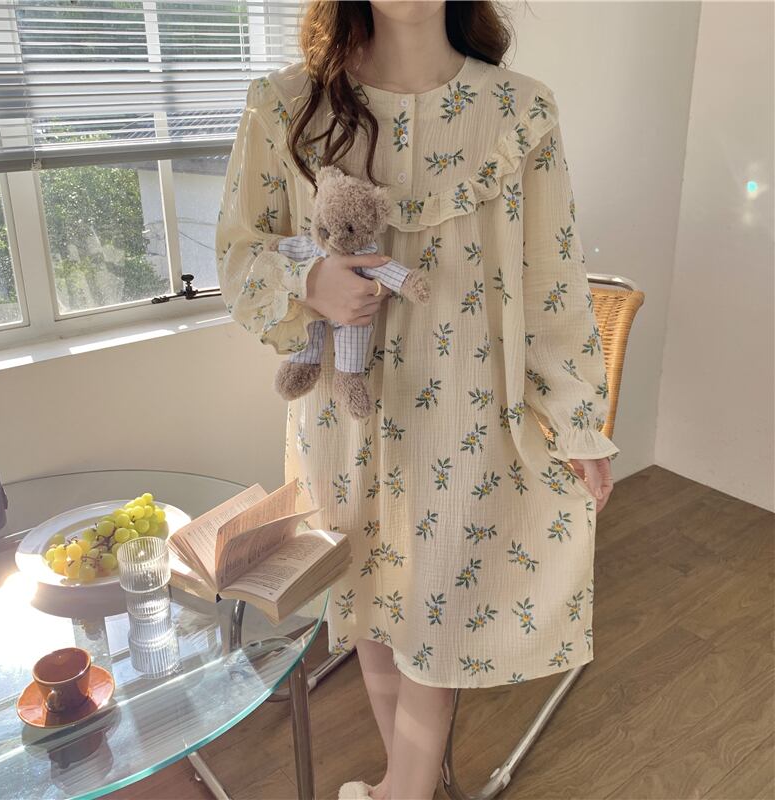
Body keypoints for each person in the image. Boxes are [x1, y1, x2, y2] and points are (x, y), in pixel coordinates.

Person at [215, 2, 620, 798]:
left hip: (469, 419)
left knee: (437, 617)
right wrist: (308, 280)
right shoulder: (286, 105)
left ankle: (403, 791)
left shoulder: (519, 111)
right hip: (342, 418)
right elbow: (237, 254)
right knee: (366, 598)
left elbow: (553, 281)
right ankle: (408, 783)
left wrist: (578, 421)